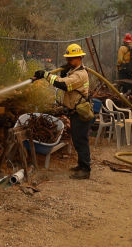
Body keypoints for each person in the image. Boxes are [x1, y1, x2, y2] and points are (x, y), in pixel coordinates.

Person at [34, 44, 94, 179]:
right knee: (78, 140)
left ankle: (85, 170)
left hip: (80, 114)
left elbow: (64, 85)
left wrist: (45, 75)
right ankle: (81, 165)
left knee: (81, 141)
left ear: (79, 58)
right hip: (75, 112)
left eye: (71, 59)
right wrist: (64, 71)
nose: (68, 62)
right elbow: (65, 81)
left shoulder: (79, 74)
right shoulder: (74, 71)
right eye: (68, 59)